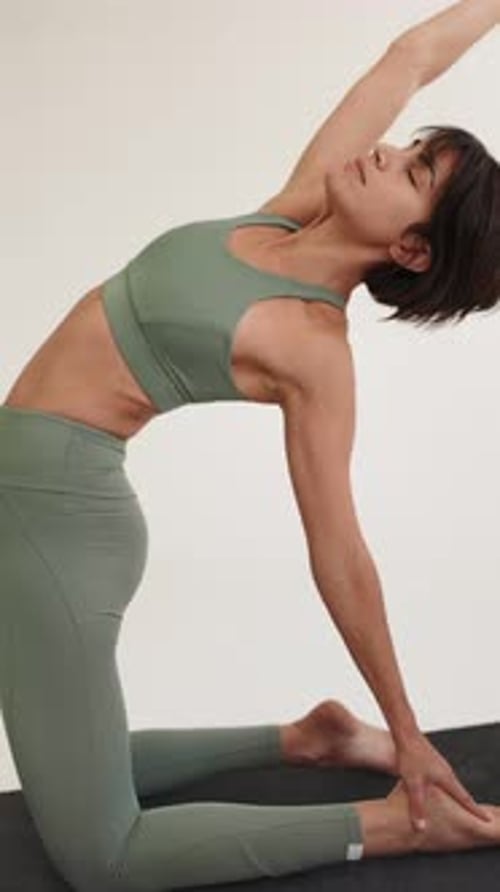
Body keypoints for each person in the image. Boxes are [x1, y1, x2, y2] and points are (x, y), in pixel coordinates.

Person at [1, 0, 500, 889]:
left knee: (100, 858)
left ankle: (394, 828)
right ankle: (317, 738)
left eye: (416, 169)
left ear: (413, 248)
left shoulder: (313, 354)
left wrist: (412, 733)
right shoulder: (291, 210)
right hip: (39, 498)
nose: (389, 149)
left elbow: (339, 549)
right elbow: (413, 55)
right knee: (77, 759)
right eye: (411, 145)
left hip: (54, 525)